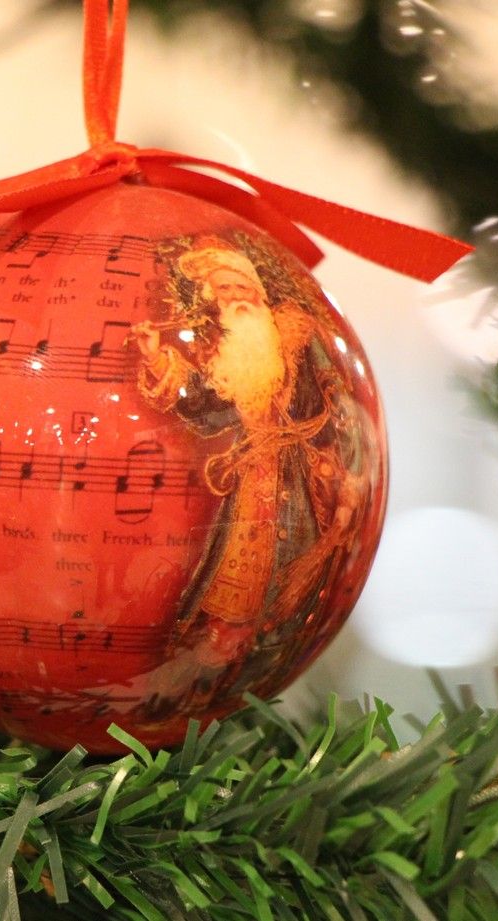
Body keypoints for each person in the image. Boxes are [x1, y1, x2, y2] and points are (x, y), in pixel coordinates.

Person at [130, 236, 368, 701]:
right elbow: (210, 410)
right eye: (224, 291)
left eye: (241, 287)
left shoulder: (301, 336)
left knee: (285, 581)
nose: (235, 297)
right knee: (232, 578)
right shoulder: (231, 352)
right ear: (214, 301)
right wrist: (159, 357)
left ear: (258, 290)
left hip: (302, 479)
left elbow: (344, 410)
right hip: (249, 482)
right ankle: (213, 666)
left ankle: (255, 655)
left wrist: (351, 479)